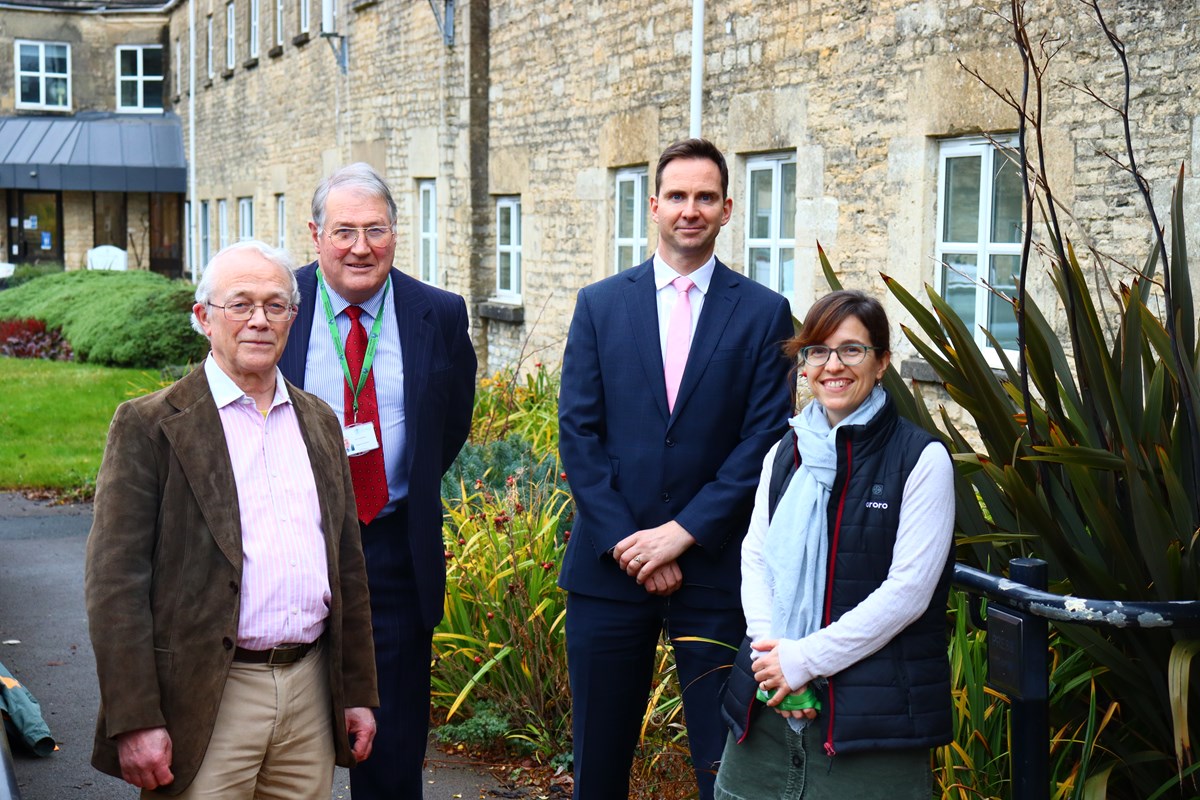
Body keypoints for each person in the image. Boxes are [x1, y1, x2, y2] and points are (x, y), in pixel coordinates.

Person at [85, 240, 379, 798]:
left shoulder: (318, 421)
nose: (259, 321)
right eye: (239, 304)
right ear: (203, 317)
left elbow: (348, 569)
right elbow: (114, 585)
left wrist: (356, 690)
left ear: (294, 317)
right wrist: (136, 717)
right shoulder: (150, 426)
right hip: (205, 696)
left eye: (275, 305)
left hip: (309, 693)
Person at [558, 138, 795, 800]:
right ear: (654, 206)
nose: (690, 210)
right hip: (610, 567)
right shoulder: (600, 305)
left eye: (706, 198)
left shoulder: (763, 313)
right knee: (597, 766)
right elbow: (579, 433)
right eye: (678, 197)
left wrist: (681, 533)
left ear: (726, 210)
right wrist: (635, 545)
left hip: (714, 572)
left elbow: (764, 441)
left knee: (722, 768)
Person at [278, 162, 477, 799]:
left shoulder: (439, 314)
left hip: (390, 550)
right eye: (343, 231)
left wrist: (390, 493)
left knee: (389, 758)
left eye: (376, 230)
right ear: (315, 235)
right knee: (273, 738)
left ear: (396, 233)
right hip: (289, 545)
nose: (360, 247)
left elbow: (448, 427)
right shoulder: (280, 306)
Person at [713, 289, 956, 799]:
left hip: (870, 721)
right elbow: (756, 557)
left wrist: (803, 662)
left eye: (852, 349)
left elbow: (907, 594)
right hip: (768, 702)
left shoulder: (922, 460)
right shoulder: (786, 450)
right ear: (804, 364)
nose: (832, 365)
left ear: (882, 361)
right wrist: (773, 661)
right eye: (817, 350)